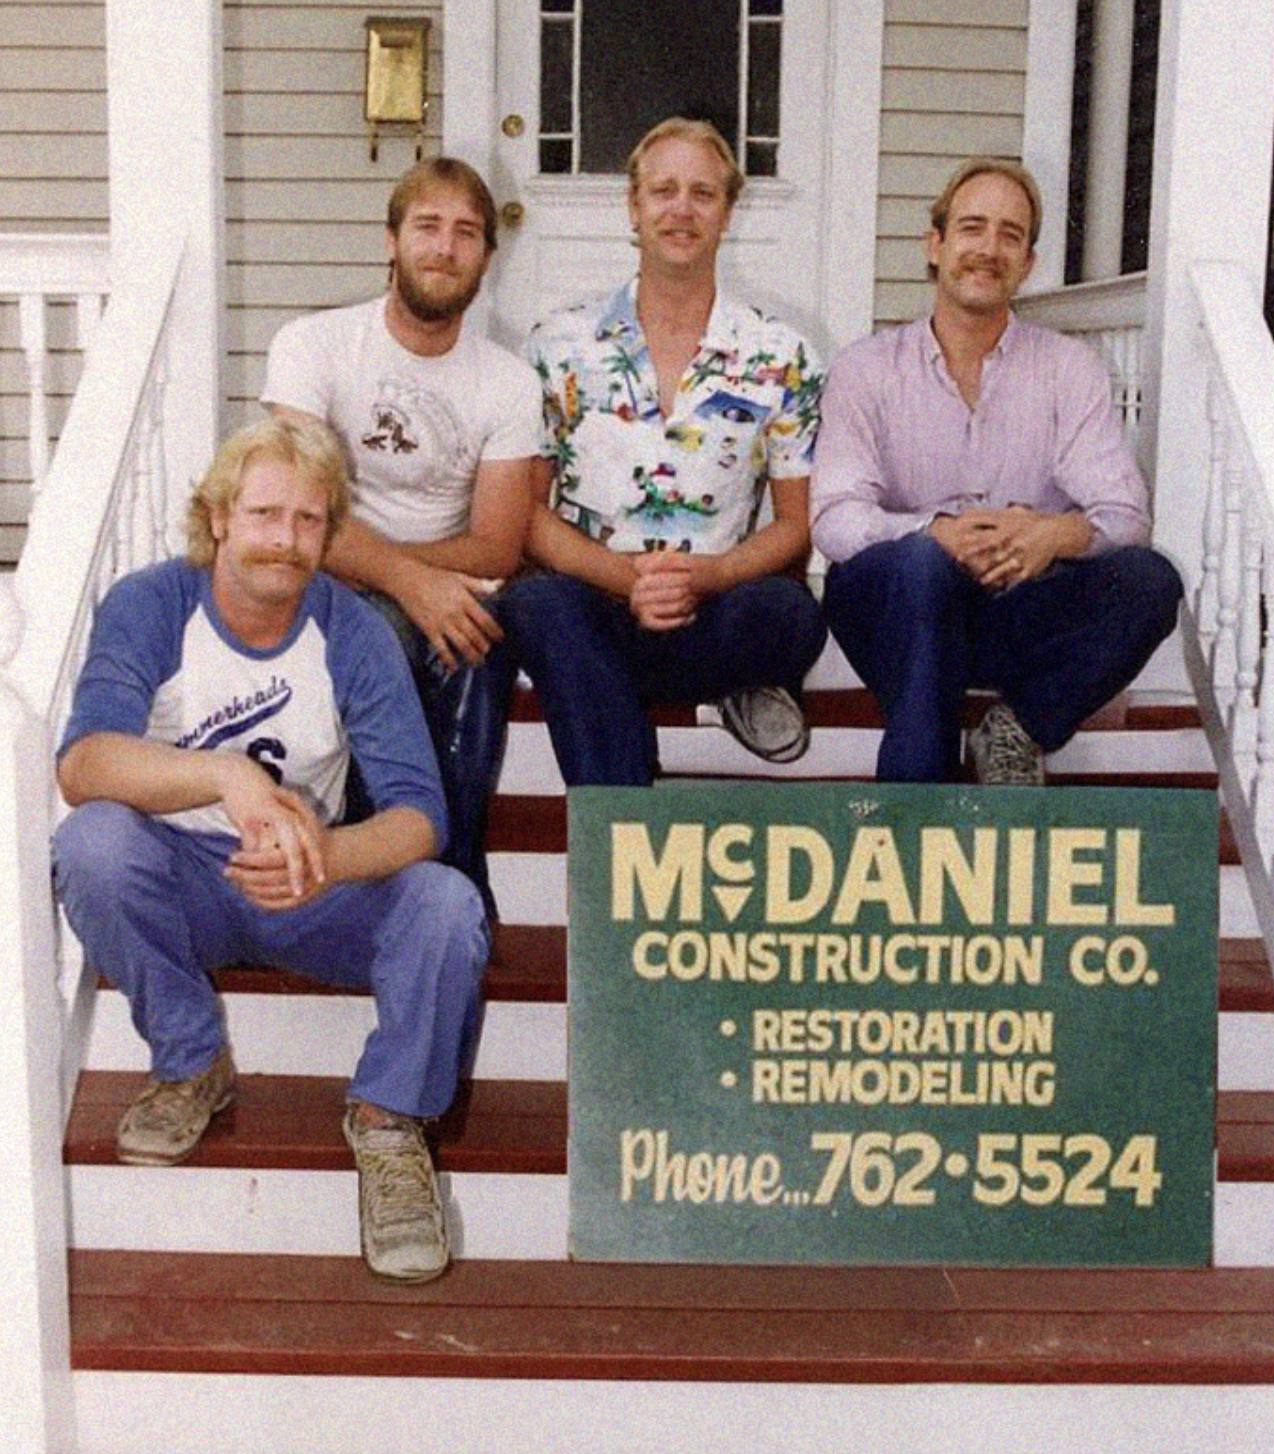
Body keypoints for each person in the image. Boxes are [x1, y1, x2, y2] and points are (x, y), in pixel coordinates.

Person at [53, 418, 489, 1283]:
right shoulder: (154, 604)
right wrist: (224, 777)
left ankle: (391, 1122)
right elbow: (84, 762)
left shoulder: (354, 631)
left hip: (307, 892)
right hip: (181, 877)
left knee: (446, 904)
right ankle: (190, 1062)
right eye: (263, 514)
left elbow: (418, 818)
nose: (284, 540)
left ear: (329, 532)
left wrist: (321, 855)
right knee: (92, 844)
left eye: (307, 520)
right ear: (218, 517)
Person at [811, 156, 1182, 784]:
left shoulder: (1069, 369)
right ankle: (916, 791)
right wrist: (934, 533)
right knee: (918, 569)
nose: (989, 249)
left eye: (1011, 235)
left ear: (1028, 263)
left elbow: (1123, 514)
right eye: (972, 228)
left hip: (1017, 610)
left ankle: (1021, 727)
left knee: (1150, 582)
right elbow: (835, 518)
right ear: (935, 246)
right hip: (902, 609)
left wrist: (1053, 535)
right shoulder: (866, 369)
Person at [498, 116, 827, 784]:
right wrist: (628, 582)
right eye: (664, 190)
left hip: (715, 606)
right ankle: (623, 821)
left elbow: (797, 524)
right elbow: (528, 516)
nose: (682, 209)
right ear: (634, 205)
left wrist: (707, 577)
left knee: (791, 616)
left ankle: (704, 688)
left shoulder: (781, 354)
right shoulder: (558, 344)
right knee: (536, 606)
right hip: (600, 604)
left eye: (703, 194)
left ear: (728, 212)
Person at [262, 157, 540, 914]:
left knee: (478, 631)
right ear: (390, 241)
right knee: (384, 623)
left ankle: (452, 866)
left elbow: (496, 547)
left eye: (466, 233)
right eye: (427, 227)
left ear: (488, 255)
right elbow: (295, 516)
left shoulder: (509, 382)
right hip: (318, 588)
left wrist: (405, 576)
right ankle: (369, 853)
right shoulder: (312, 346)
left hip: (449, 590)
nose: (444, 248)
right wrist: (407, 582)